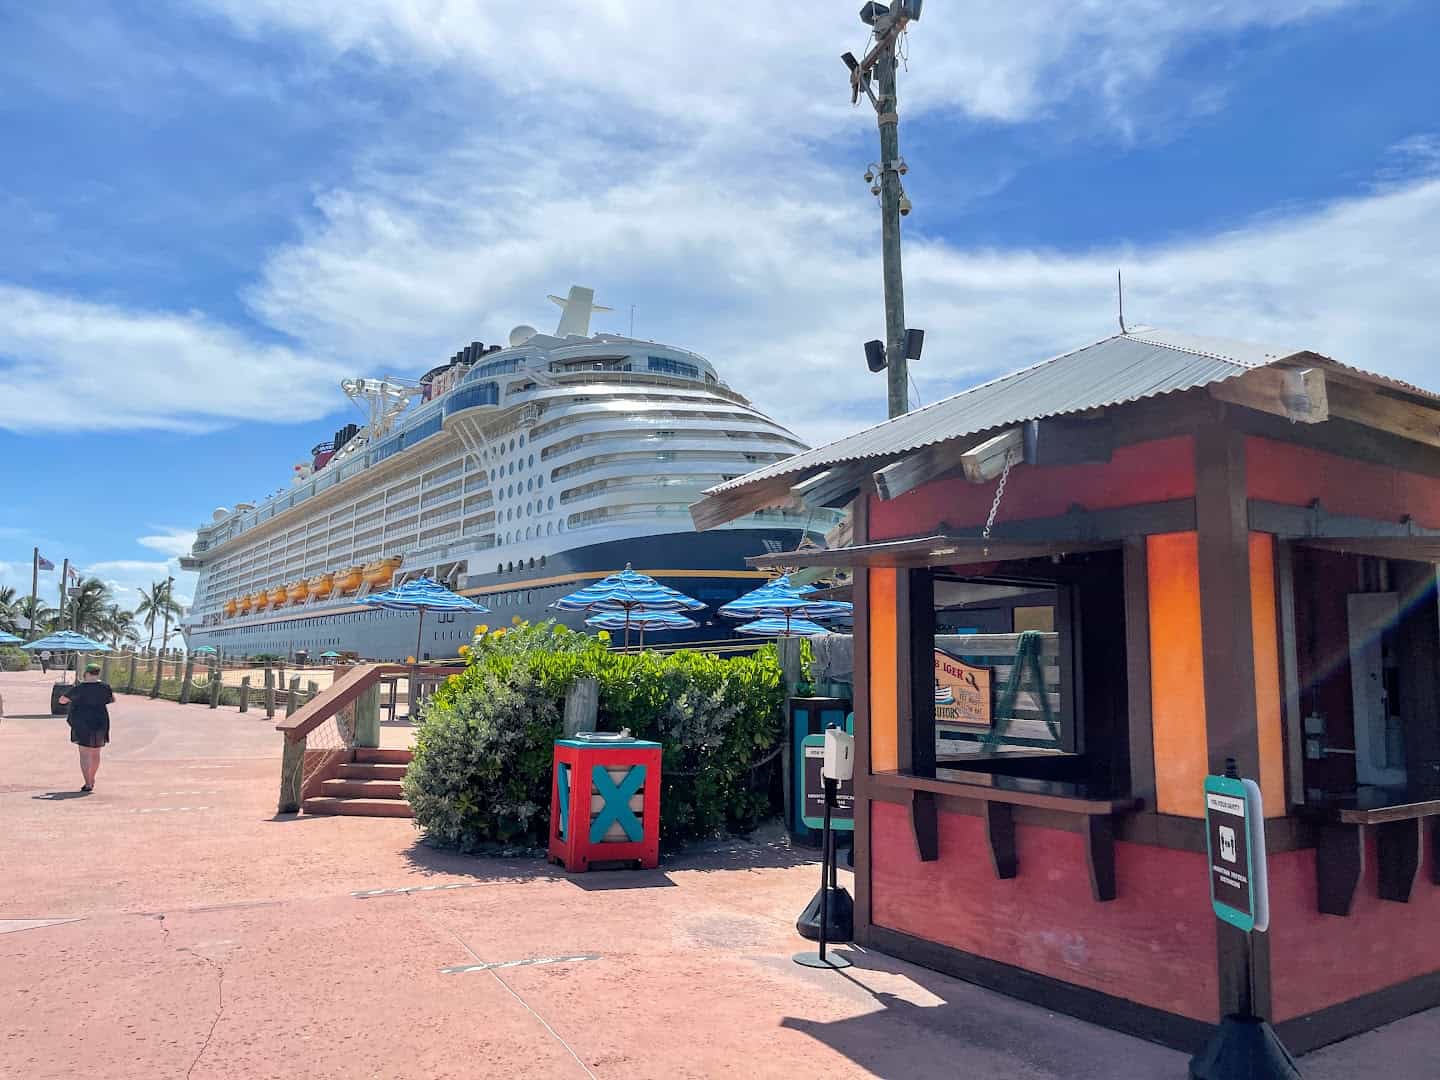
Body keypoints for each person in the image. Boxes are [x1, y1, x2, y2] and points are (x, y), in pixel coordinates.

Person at [58, 663, 113, 793]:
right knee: (96, 753)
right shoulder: (105, 687)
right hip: (100, 720)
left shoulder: (79, 688)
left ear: (86, 674)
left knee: (84, 753)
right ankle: (92, 778)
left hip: (82, 721)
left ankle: (87, 782)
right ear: (97, 673)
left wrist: (74, 700)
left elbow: (62, 700)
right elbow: (111, 699)